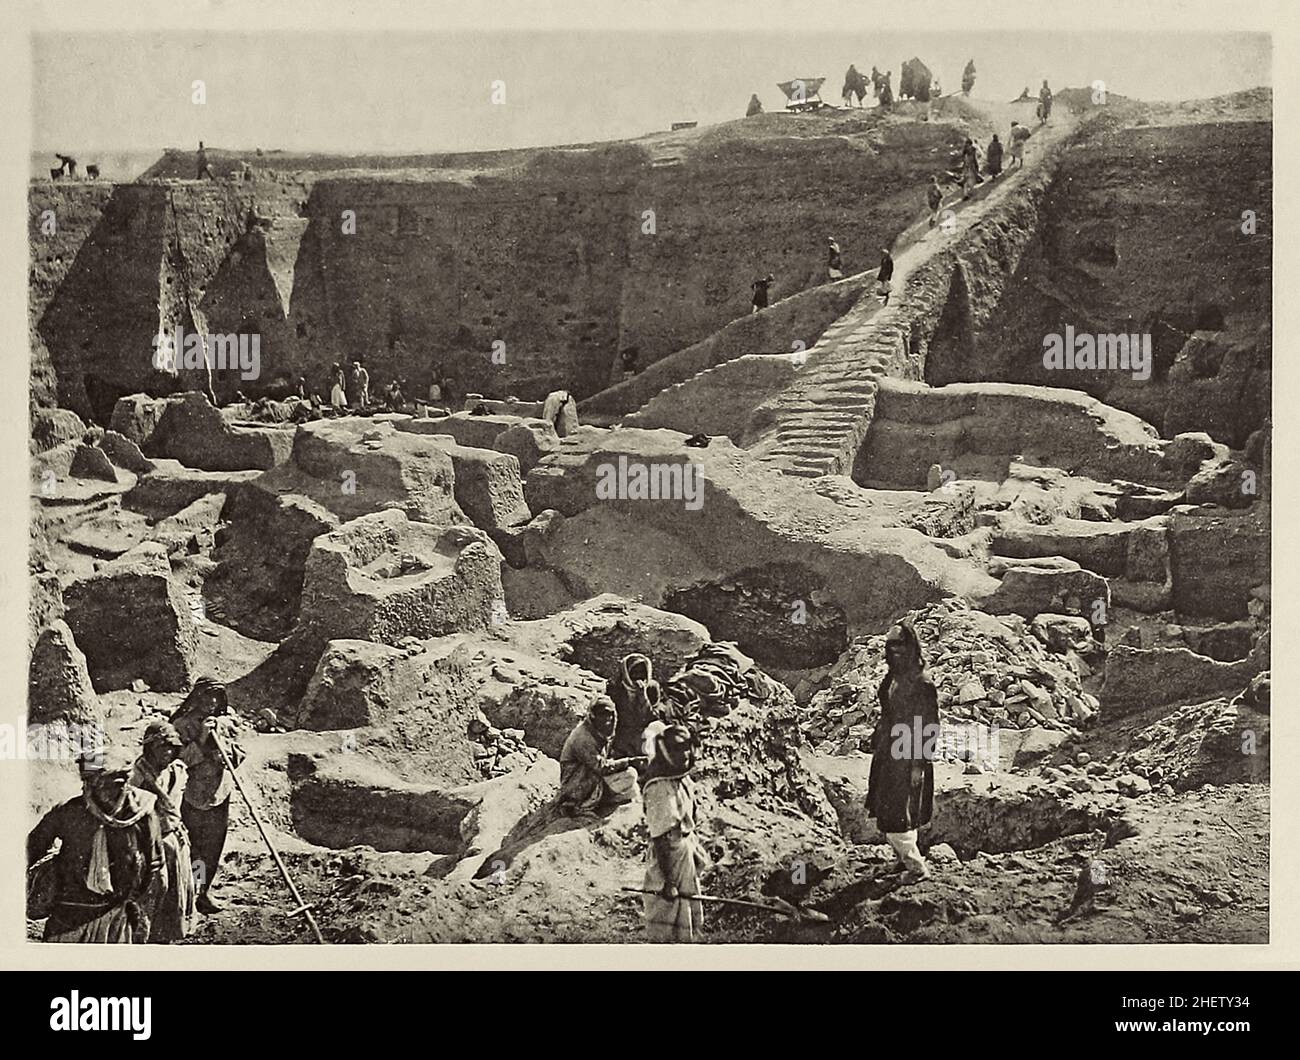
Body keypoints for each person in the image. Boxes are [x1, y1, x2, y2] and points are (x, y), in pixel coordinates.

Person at [28, 757, 164, 943]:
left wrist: (136, 903)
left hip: (116, 912)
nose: (111, 793)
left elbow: (154, 864)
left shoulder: (142, 812)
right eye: (102, 785)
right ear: (89, 784)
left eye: (118, 785)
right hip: (71, 910)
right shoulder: (70, 812)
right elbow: (30, 849)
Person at [865, 623, 939, 884]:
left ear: (911, 646)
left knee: (899, 812)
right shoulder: (893, 677)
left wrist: (919, 764)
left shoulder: (922, 683)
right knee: (893, 809)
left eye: (899, 644)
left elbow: (929, 727)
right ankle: (901, 860)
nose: (894, 650)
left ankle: (917, 868)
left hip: (907, 756)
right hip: (889, 752)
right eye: (890, 644)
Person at [170, 677, 244, 913]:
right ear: (197, 697)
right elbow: (177, 760)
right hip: (192, 795)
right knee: (194, 847)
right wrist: (202, 741)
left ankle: (203, 891)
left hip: (219, 792)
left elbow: (239, 753)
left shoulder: (226, 723)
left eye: (216, 697)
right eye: (207, 697)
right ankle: (189, 891)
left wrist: (226, 755)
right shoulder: (183, 725)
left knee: (212, 847)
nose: (212, 702)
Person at [641, 721, 708, 942]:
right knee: (669, 913)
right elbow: (661, 838)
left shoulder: (680, 777)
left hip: (683, 853)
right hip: (669, 857)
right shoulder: (659, 789)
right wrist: (669, 882)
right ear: (666, 752)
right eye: (678, 748)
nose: (685, 753)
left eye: (687, 747)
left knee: (687, 910)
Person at [129, 721, 196, 942]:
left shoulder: (177, 772)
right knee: (153, 891)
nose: (167, 752)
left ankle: (166, 933)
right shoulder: (137, 776)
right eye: (161, 747)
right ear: (150, 748)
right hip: (148, 843)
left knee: (176, 891)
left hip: (173, 839)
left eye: (171, 747)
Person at [557, 698, 641, 817]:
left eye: (609, 714)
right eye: (602, 714)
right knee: (630, 776)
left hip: (594, 776)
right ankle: (576, 805)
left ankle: (598, 799)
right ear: (593, 715)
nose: (607, 719)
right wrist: (628, 762)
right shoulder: (583, 737)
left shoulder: (599, 731)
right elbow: (600, 767)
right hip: (576, 782)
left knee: (632, 784)